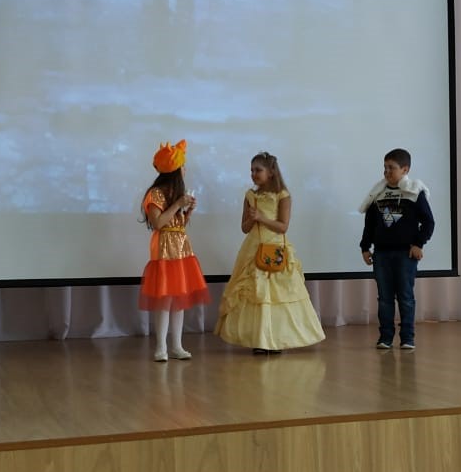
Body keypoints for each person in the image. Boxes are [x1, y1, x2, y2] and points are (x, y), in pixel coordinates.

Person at [214, 152, 325, 354]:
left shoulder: (283, 195)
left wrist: (261, 218)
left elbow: (283, 226)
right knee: (257, 293)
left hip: (275, 249)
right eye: (251, 170)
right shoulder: (250, 195)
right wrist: (251, 219)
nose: (253, 174)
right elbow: (244, 228)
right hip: (253, 249)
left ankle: (277, 340)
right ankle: (259, 340)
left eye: (258, 170)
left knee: (277, 295)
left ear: (271, 172)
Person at [139, 139, 210, 361]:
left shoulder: (174, 193)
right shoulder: (156, 194)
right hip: (164, 251)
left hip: (181, 249)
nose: (185, 170)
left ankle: (177, 346)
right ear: (175, 170)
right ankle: (161, 347)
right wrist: (178, 204)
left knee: (178, 298)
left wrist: (187, 213)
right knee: (165, 298)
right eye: (183, 166)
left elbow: (178, 225)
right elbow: (159, 223)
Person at [359, 148, 435, 351]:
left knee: (405, 297)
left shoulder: (415, 192)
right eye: (384, 168)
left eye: (391, 168)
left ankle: (407, 337)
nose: (386, 172)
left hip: (405, 254)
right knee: (384, 298)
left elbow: (428, 222)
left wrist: (418, 244)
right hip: (381, 253)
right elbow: (370, 225)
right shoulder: (378, 193)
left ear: (405, 169)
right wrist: (365, 247)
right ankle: (385, 337)